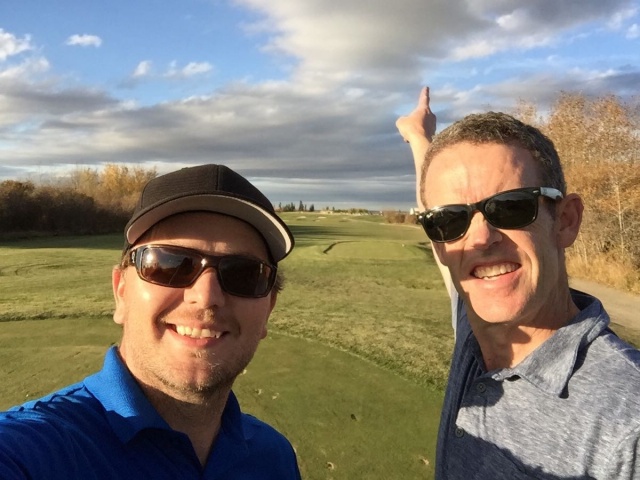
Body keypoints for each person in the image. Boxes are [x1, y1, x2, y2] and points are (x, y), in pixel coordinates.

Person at [396, 87, 640, 479]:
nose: (479, 239)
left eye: (510, 207)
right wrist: (419, 136)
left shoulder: (629, 423)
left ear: (565, 221)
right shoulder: (476, 324)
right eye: (450, 221)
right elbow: (438, 201)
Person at [0, 164, 302, 479]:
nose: (206, 296)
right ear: (121, 291)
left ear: (269, 308)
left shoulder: (274, 455)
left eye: (245, 274)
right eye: (170, 263)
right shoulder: (31, 450)